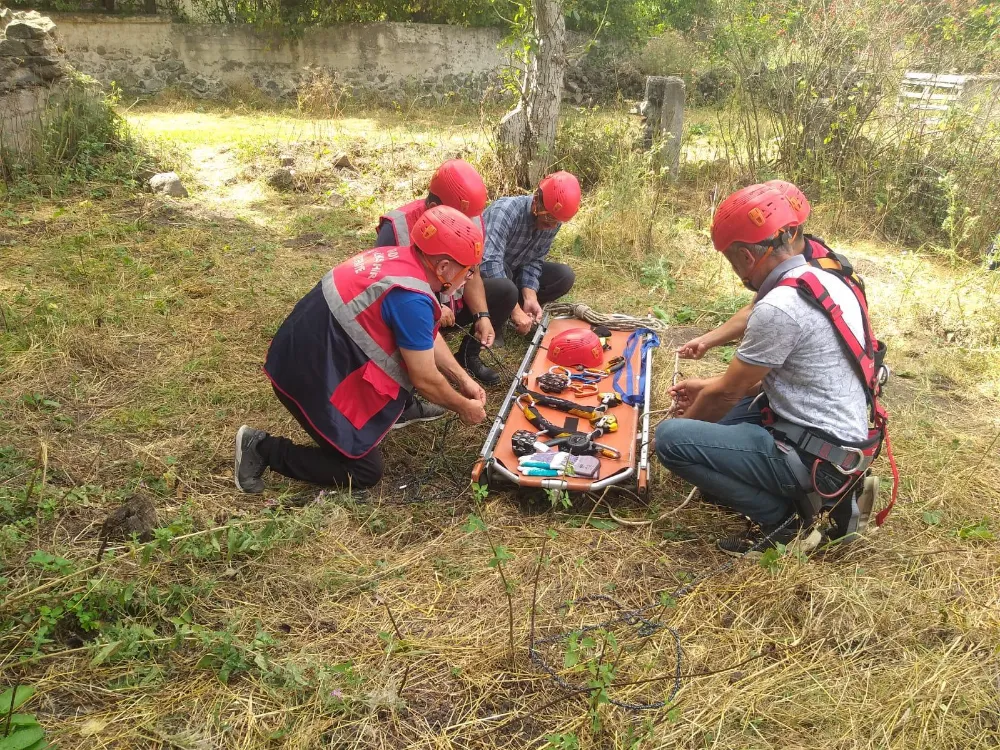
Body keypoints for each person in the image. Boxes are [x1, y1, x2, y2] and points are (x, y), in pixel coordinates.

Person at [654, 185, 885, 556]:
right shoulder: (826, 279)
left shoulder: (781, 307)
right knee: (710, 429)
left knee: (672, 440)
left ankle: (783, 524)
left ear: (747, 256)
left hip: (814, 452)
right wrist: (711, 394)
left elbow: (727, 394)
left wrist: (671, 442)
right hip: (834, 437)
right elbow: (778, 378)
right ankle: (819, 496)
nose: (738, 274)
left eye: (733, 263)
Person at [234, 206, 488, 494]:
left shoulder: (402, 260)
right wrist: (462, 406)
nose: (469, 277)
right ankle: (262, 449)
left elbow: (424, 336)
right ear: (443, 267)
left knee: (369, 431)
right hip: (303, 375)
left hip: (297, 354)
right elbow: (425, 378)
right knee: (364, 471)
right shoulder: (411, 299)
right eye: (468, 269)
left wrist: (463, 379)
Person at [678, 179, 865, 360]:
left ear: (789, 232)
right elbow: (754, 309)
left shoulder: (813, 277)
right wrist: (705, 341)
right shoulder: (798, 259)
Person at [375, 159, 503, 386]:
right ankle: (409, 381)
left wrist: (481, 316)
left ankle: (468, 356)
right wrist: (433, 306)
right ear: (435, 209)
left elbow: (471, 273)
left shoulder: (471, 220)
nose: (467, 224)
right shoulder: (396, 227)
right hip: (414, 310)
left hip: (452, 305)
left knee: (504, 292)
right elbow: (383, 290)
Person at [478, 170, 581, 345]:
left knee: (564, 276)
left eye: (557, 221)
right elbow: (488, 263)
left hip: (513, 272)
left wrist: (530, 296)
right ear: (536, 200)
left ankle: (524, 313)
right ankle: (497, 319)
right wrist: (514, 309)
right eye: (548, 217)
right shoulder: (504, 212)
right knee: (504, 273)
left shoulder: (553, 222)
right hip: (486, 278)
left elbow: (534, 259)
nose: (551, 226)